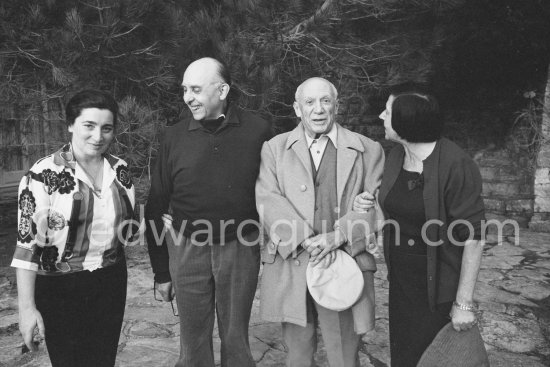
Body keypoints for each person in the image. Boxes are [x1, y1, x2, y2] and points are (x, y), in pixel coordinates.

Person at [145, 57, 272, 367]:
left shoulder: (259, 130)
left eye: (197, 89)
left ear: (223, 90)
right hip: (188, 247)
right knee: (192, 342)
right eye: (185, 89)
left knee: (235, 339)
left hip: (240, 246)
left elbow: (275, 190)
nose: (189, 97)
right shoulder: (174, 135)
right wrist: (162, 272)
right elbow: (155, 204)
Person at [255, 77, 385, 367]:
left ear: (336, 106)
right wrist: (304, 239)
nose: (318, 109)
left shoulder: (368, 149)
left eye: (325, 101)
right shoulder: (274, 149)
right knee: (298, 354)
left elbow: (376, 206)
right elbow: (266, 198)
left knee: (344, 355)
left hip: (345, 266)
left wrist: (337, 236)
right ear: (297, 109)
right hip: (293, 264)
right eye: (310, 102)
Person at [354, 85, 486, 366]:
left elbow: (474, 237)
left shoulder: (455, 164)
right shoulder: (396, 157)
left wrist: (463, 304)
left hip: (440, 287)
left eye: (387, 112)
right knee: (405, 357)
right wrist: (370, 209)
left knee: (436, 358)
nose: (380, 116)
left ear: (406, 122)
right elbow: (392, 206)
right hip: (402, 282)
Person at [12, 89, 135, 367]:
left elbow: (126, 230)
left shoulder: (121, 171)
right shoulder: (43, 174)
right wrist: (27, 308)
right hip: (60, 288)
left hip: (111, 281)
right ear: (70, 125)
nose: (98, 136)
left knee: (103, 361)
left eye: (107, 128)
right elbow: (26, 246)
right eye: (88, 126)